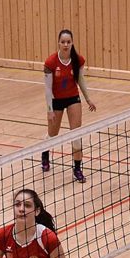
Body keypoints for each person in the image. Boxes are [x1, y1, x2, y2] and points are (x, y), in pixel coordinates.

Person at [42, 29, 97, 183]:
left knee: (76, 134)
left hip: (73, 98)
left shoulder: (78, 60)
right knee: (53, 134)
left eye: (68, 42)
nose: (66, 45)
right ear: (58, 43)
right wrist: (50, 110)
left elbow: (81, 80)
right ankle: (45, 152)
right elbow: (47, 89)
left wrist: (88, 99)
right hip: (56, 100)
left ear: (72, 43)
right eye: (63, 42)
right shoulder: (50, 63)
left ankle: (77, 169)